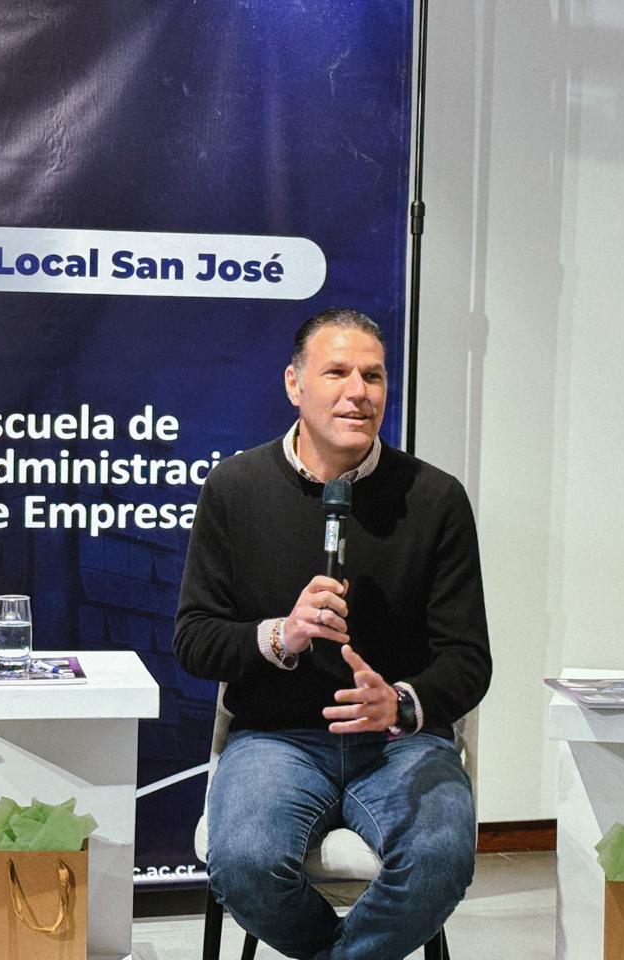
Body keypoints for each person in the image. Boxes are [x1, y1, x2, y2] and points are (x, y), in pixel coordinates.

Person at [173, 308, 491, 960]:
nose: (359, 392)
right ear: (294, 384)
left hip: (401, 745)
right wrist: (280, 636)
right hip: (275, 738)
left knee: (438, 858)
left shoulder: (436, 499)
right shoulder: (234, 489)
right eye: (337, 372)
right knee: (246, 860)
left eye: (373, 376)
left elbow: (469, 660)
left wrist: (399, 701)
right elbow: (195, 639)